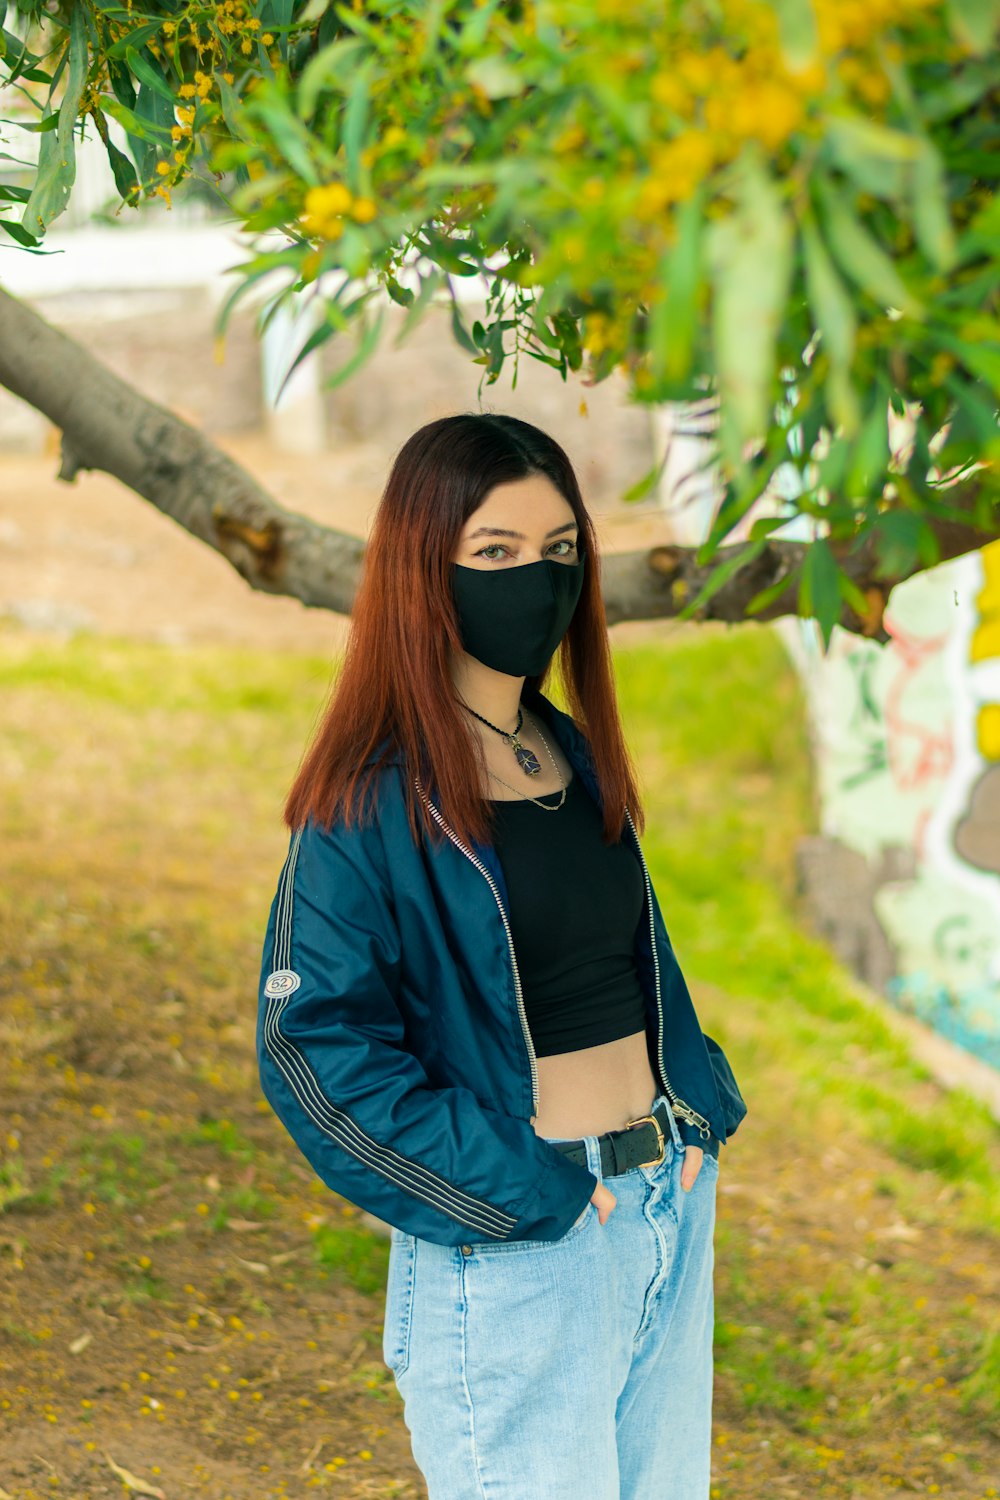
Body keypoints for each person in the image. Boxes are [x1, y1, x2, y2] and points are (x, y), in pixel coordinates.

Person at [256, 411, 748, 1500]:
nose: (537, 581)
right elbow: (314, 1051)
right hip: (532, 1237)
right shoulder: (369, 803)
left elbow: (627, 964)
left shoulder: (564, 748)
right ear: (425, 568)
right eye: (495, 553)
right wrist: (526, 1189)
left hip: (664, 1201)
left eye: (560, 551)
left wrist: (697, 1108)